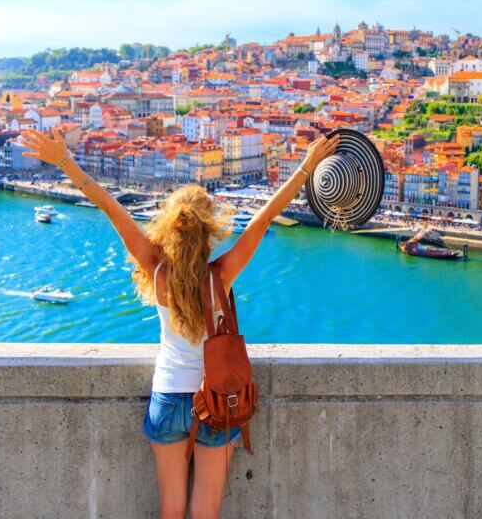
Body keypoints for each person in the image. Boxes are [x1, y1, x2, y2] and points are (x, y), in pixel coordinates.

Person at [19, 128, 338, 519]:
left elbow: (108, 206)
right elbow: (267, 214)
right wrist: (306, 166)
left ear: (170, 228)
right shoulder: (220, 275)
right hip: (217, 400)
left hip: (168, 398)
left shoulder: (156, 271)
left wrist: (64, 161)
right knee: (206, 510)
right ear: (209, 232)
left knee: (171, 509)